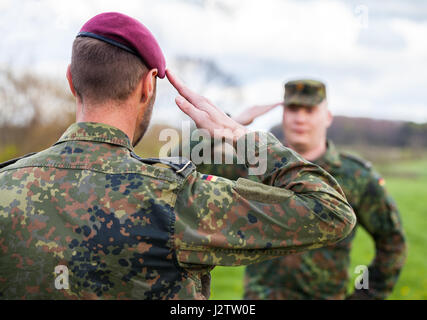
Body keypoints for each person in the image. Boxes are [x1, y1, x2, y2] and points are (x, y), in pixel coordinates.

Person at [0, 13, 356, 300]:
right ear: (148, 85)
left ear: (71, 80)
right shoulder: (172, 198)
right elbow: (330, 211)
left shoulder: (5, 185)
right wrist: (240, 136)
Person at [204, 79, 406, 299]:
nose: (300, 118)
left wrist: (366, 295)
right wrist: (230, 124)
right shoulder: (255, 164)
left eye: (309, 110)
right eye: (292, 109)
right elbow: (185, 163)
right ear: (283, 116)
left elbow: (392, 241)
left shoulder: (355, 176)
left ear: (327, 117)